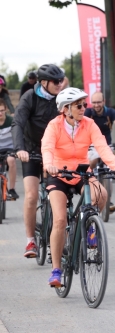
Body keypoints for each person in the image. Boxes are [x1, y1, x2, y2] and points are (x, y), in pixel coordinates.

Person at [41, 87, 115, 287]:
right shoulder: (54, 125)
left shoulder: (89, 124)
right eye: (79, 105)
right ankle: (56, 270)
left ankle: (89, 229)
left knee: (102, 194)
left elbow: (102, 147)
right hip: (58, 174)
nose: (83, 108)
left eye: (84, 104)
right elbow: (47, 147)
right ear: (66, 108)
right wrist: (49, 165)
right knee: (60, 220)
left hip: (81, 171)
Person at [13, 64, 65, 258]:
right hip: (31, 150)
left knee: (60, 196)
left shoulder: (63, 100)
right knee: (32, 195)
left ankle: (60, 236)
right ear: (44, 82)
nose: (60, 84)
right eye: (56, 81)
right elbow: (18, 123)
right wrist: (20, 149)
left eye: (62, 80)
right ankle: (30, 241)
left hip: (54, 152)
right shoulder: (30, 98)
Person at [84, 91, 115, 213]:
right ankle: (88, 185)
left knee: (109, 175)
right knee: (91, 162)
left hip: (106, 145)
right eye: (94, 102)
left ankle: (108, 200)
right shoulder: (88, 113)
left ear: (103, 102)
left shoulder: (110, 112)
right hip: (91, 145)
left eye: (99, 102)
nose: (96, 105)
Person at [0, 98, 18, 199]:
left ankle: (12, 189)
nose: (0, 113)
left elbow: (17, 135)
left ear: (6, 109)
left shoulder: (11, 121)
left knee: (11, 160)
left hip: (9, 148)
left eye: (2, 110)